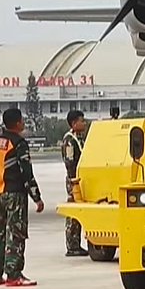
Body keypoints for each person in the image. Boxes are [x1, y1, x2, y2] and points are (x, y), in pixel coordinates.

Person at [0, 108, 44, 286]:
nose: (24, 123)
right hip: (14, 193)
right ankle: (14, 274)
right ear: (17, 123)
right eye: (22, 120)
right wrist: (37, 197)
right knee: (16, 232)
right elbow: (26, 172)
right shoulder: (19, 143)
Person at [62, 110, 89, 257]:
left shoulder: (80, 138)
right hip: (74, 180)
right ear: (74, 123)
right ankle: (72, 245)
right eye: (81, 121)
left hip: (79, 179)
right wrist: (73, 181)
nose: (84, 123)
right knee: (73, 212)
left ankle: (76, 243)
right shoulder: (70, 140)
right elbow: (70, 162)